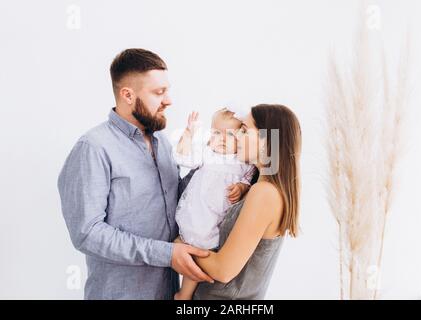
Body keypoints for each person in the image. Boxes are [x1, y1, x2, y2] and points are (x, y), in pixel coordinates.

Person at [57, 48, 219, 299]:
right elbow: (87, 233)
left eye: (167, 90)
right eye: (159, 92)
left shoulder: (162, 143)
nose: (169, 100)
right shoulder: (93, 148)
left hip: (168, 292)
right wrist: (166, 254)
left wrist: (208, 164)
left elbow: (175, 206)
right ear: (127, 95)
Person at [192, 104, 302, 299]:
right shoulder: (256, 187)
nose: (237, 136)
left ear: (265, 140)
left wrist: (179, 248)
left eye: (244, 130)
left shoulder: (264, 193)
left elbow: (223, 270)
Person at [172, 108, 255, 300]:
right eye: (217, 133)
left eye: (230, 135)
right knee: (195, 247)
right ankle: (184, 294)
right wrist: (188, 134)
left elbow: (249, 177)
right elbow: (183, 157)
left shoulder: (242, 161)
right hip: (198, 212)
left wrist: (242, 187)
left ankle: (186, 294)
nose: (222, 139)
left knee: (204, 251)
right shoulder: (207, 153)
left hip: (218, 218)